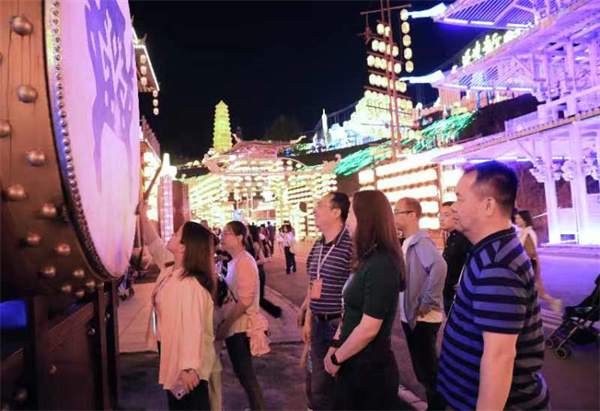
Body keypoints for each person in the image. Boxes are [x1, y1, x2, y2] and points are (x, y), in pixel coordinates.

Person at [438, 161, 550, 410]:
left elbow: (499, 358)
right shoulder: (489, 250)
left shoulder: (498, 264)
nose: (453, 207)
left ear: (488, 205)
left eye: (460, 198)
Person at [323, 190, 404, 410]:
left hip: (370, 370)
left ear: (366, 217)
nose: (347, 220)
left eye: (351, 213)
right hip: (352, 363)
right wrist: (335, 346)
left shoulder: (382, 263)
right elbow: (349, 311)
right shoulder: (366, 259)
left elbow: (369, 328)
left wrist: (337, 358)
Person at [141, 204, 216, 410]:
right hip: (172, 349)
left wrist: (189, 367)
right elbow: (154, 244)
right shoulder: (171, 269)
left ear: (183, 247)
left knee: (189, 405)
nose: (171, 235)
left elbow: (193, 327)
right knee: (177, 403)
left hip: (188, 361)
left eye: (176, 234)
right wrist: (143, 215)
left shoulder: (191, 284)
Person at [297, 192, 353, 410]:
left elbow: (356, 293)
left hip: (338, 326)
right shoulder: (318, 244)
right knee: (316, 387)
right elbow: (313, 283)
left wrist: (342, 329)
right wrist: (308, 318)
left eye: (320, 206)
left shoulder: (350, 245)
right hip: (318, 325)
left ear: (336, 212)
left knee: (338, 386)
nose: (314, 210)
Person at [394, 197, 447, 410]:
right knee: (422, 369)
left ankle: (438, 407)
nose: (394, 216)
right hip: (412, 316)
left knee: (428, 370)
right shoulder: (407, 242)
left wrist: (428, 301)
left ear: (412, 215)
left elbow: (440, 267)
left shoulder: (421, 242)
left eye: (398, 212)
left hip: (423, 317)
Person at [216, 221, 265, 410]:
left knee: (247, 376)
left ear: (239, 238)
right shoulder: (235, 260)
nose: (222, 236)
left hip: (240, 327)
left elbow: (245, 300)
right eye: (222, 233)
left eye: (227, 233)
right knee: (243, 374)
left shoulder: (244, 261)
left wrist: (225, 325)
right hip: (235, 326)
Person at [515, 210, 562, 313]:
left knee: (535, 290)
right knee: (534, 290)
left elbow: (530, 252)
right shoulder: (524, 232)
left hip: (530, 264)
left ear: (525, 220)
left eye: (519, 218)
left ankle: (552, 302)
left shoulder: (528, 233)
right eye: (516, 218)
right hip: (528, 264)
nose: (516, 220)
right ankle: (552, 302)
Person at [439, 201, 472, 315]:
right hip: (447, 292)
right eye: (440, 215)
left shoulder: (463, 238)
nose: (441, 219)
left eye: (446, 215)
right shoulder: (451, 238)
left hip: (457, 295)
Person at [249, 225, 282, 318]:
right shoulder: (253, 242)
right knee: (257, 297)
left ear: (251, 232)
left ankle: (276, 311)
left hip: (259, 272)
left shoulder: (255, 243)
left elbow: (263, 259)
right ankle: (275, 311)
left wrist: (250, 263)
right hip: (258, 272)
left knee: (258, 298)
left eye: (247, 229)